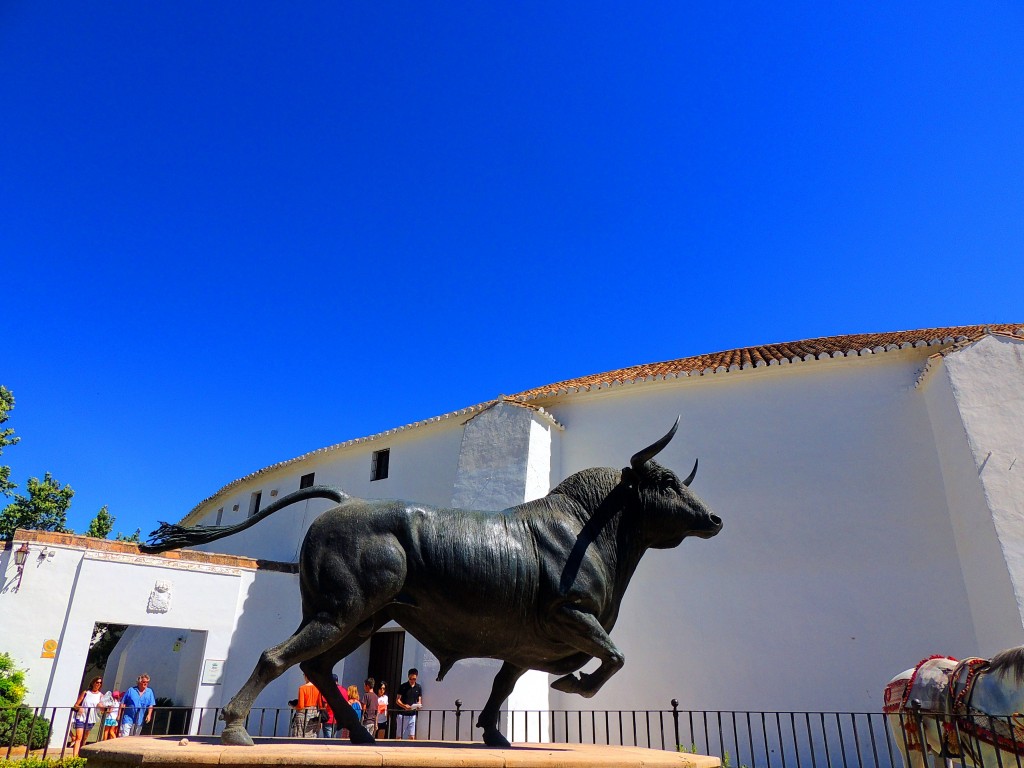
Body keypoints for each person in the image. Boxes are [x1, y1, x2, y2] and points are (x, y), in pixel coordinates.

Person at [72, 676, 104, 756]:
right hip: (81, 717)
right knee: (78, 737)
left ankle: (80, 754)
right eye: (97, 682)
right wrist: (79, 708)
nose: (98, 684)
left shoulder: (100, 695)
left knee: (84, 738)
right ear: (93, 683)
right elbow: (76, 705)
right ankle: (74, 757)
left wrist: (101, 707)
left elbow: (103, 709)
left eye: (100, 683)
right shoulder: (86, 693)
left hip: (91, 718)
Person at [294, 674, 325, 738]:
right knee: (312, 734)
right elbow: (320, 704)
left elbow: (301, 705)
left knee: (300, 734)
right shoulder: (318, 688)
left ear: (306, 677)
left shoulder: (302, 688)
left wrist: (294, 707)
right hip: (314, 714)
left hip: (303, 714)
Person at [396, 668, 423, 740]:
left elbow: (419, 699)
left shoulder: (418, 687)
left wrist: (418, 705)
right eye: (410, 679)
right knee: (399, 736)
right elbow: (397, 700)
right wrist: (404, 706)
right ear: (408, 677)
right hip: (402, 714)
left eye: (414, 679)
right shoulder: (403, 686)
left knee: (412, 736)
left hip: (412, 714)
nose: (412, 680)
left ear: (416, 678)